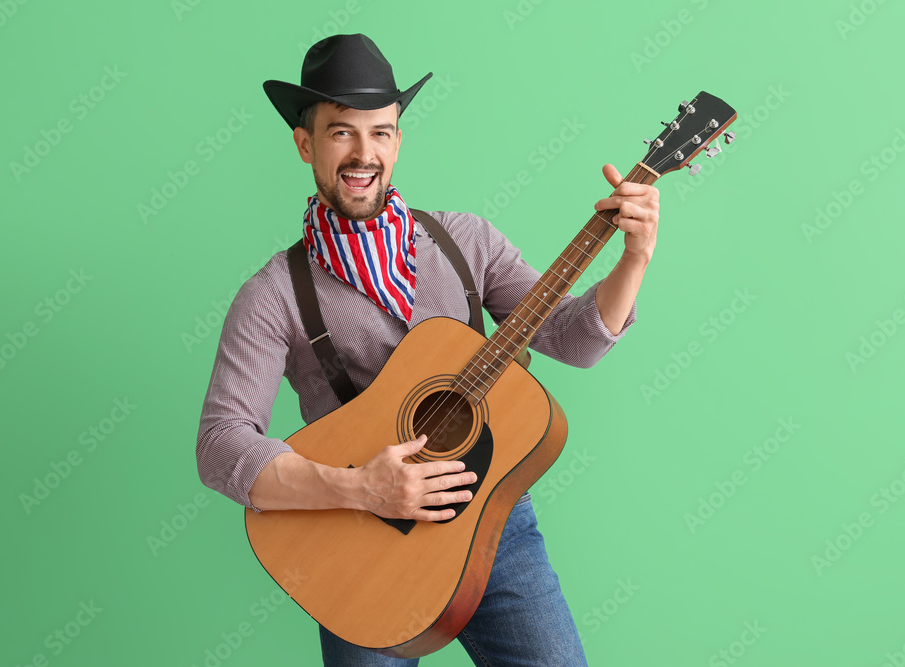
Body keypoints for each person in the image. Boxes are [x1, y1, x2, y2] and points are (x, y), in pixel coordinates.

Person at [196, 33, 659, 666]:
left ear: (399, 139)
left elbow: (571, 339)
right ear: (305, 144)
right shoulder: (274, 294)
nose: (365, 154)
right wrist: (361, 489)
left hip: (498, 527)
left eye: (381, 132)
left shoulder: (465, 241)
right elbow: (221, 444)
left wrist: (633, 257)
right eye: (342, 133)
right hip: (362, 545)